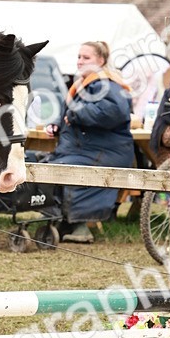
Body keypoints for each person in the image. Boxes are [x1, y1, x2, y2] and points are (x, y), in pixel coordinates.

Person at [42, 41, 134, 243]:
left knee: (64, 169)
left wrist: (76, 114)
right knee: (47, 167)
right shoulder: (83, 85)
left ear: (101, 61)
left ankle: (81, 226)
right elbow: (71, 115)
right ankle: (62, 221)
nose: (80, 61)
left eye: (86, 57)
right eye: (79, 57)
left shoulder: (106, 84)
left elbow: (115, 111)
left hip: (106, 152)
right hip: (87, 150)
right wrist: (56, 125)